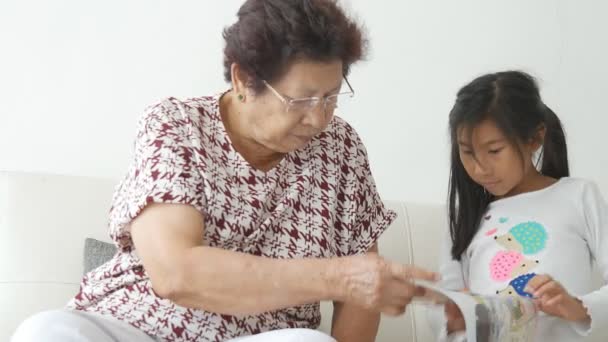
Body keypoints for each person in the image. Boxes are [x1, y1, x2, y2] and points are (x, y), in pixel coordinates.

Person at [12, 1, 437, 341]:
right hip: (136, 326)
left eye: (331, 97)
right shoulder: (176, 125)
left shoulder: (341, 148)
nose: (319, 118)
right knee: (45, 332)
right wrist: (339, 277)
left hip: (263, 336)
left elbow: (362, 296)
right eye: (302, 100)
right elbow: (176, 273)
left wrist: (357, 283)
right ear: (242, 79)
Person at [431, 70, 608, 341]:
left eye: (494, 151)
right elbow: (446, 314)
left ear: (534, 139)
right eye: (467, 152)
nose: (479, 169)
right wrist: (456, 323)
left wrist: (578, 307)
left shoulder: (579, 196)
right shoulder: (463, 217)